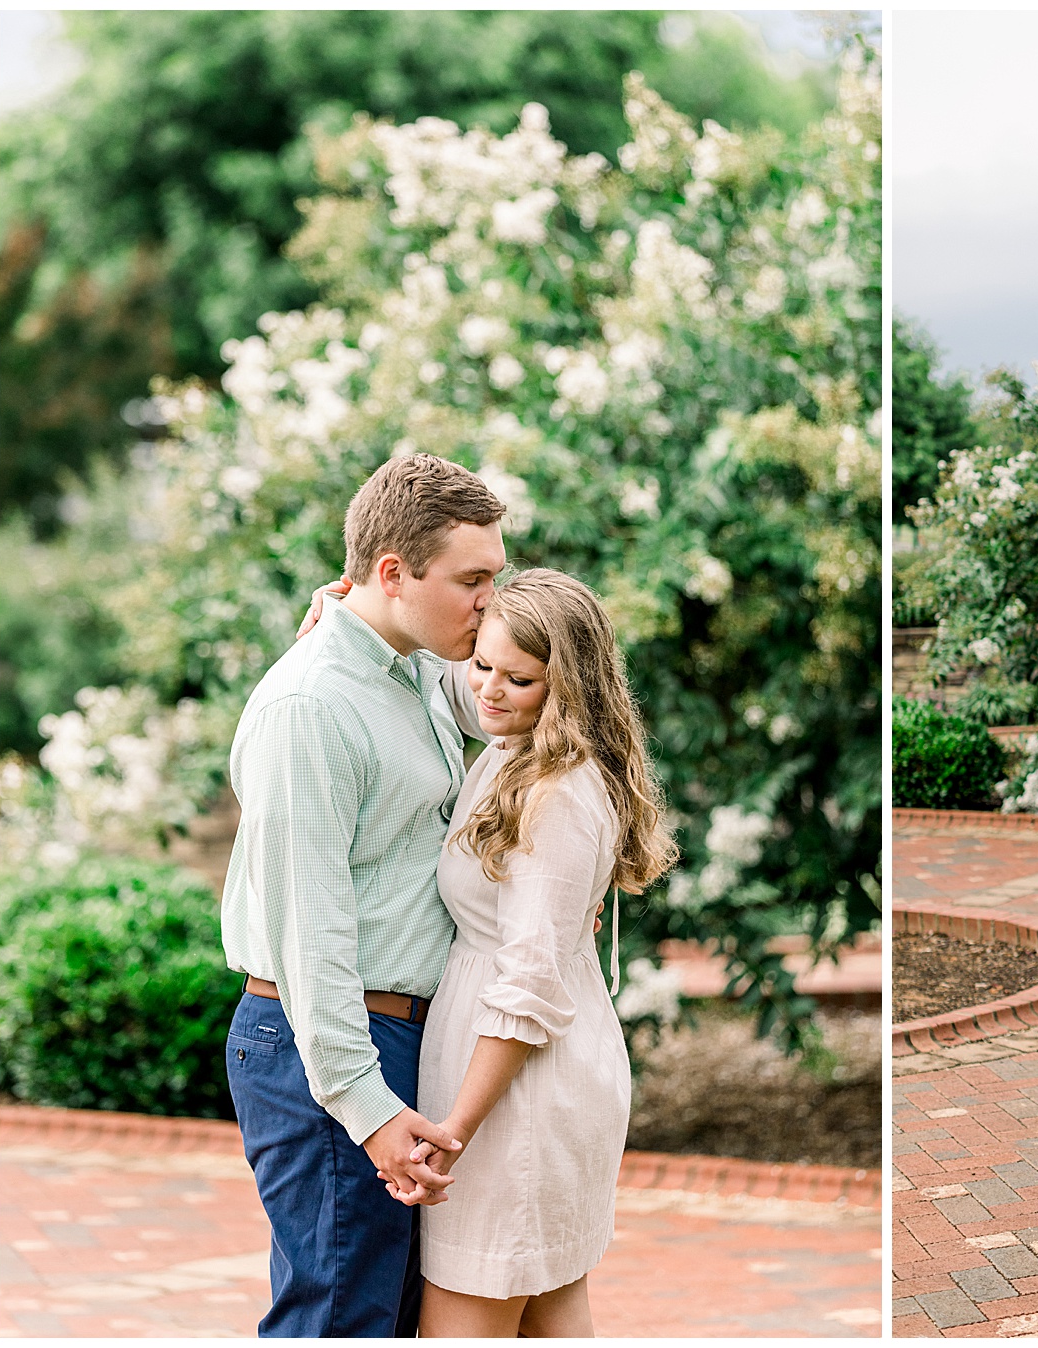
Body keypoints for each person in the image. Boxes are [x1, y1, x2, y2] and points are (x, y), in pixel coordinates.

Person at [221, 453, 506, 1336]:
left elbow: (521, 687)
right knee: (339, 1320)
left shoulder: (412, 663)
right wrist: (366, 1106)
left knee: (384, 1317)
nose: (489, 602)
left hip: (395, 1034)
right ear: (394, 573)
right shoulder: (309, 707)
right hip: (327, 1046)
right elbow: (309, 936)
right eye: (473, 581)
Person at [381, 567, 677, 1336]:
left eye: (520, 679)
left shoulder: (559, 792)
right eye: (482, 664)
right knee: (546, 1311)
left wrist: (453, 1134)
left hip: (518, 1092)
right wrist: (343, 611)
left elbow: (527, 988)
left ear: (568, 688)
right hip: (504, 1078)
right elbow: (424, 650)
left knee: (469, 1317)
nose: (488, 689)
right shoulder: (514, 748)